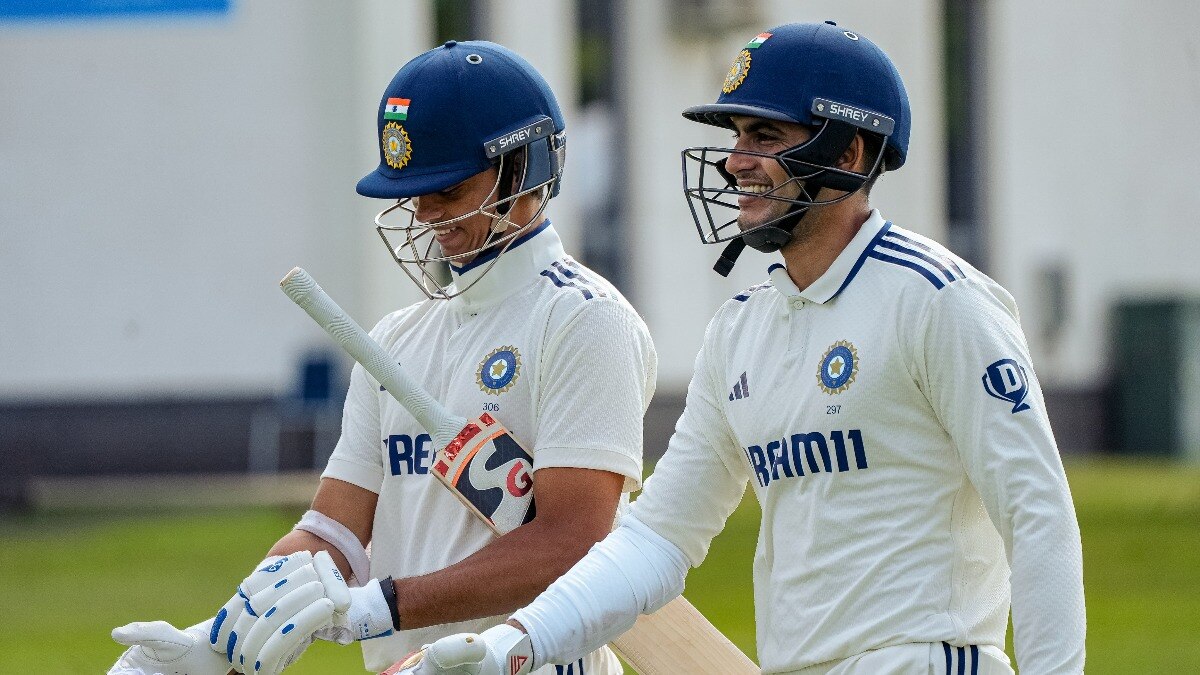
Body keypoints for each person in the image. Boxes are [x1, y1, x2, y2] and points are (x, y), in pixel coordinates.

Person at [402, 21, 1086, 675]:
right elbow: (656, 539)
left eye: (764, 135)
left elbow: (1037, 513)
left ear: (848, 155)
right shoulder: (741, 328)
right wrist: (515, 641)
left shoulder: (940, 301)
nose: (734, 161)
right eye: (735, 135)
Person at [108, 39, 654, 675]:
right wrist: (222, 635)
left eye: (445, 188)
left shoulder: (583, 319)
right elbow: (334, 535)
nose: (423, 213)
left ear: (521, 169)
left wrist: (384, 606)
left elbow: (572, 545)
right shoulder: (395, 337)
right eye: (413, 191)